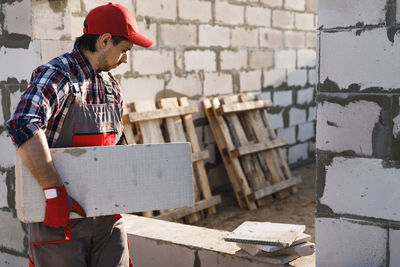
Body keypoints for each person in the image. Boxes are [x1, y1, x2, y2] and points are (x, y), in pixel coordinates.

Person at [7, 3, 153, 267]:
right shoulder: (59, 74)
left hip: (107, 220)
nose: (126, 59)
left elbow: (116, 140)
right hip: (60, 218)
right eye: (124, 51)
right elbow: (23, 122)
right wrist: (54, 192)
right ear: (105, 40)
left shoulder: (111, 86)